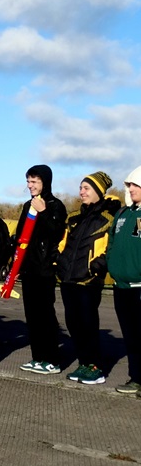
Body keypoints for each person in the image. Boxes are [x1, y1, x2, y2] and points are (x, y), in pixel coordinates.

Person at [56, 171, 120, 385]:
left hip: (88, 280)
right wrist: (59, 263)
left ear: (98, 192)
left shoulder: (109, 217)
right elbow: (63, 244)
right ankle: (84, 363)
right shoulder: (74, 216)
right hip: (68, 278)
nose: (81, 192)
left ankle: (96, 367)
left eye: (86, 188)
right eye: (81, 187)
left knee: (88, 323)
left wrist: (99, 265)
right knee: (72, 323)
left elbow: (112, 247)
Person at [16, 164, 67, 375]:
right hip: (28, 269)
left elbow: (56, 232)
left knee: (46, 315)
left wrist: (43, 212)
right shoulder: (28, 204)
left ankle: (52, 359)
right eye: (28, 181)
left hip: (45, 269)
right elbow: (20, 236)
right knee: (32, 316)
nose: (30, 186)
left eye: (34, 181)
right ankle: (38, 357)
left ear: (44, 182)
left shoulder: (55, 205)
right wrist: (15, 264)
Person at [106, 166, 141, 398]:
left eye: (135, 184)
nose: (130, 188)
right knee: (131, 335)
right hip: (121, 286)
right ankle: (136, 378)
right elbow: (111, 243)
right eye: (129, 184)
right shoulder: (122, 214)